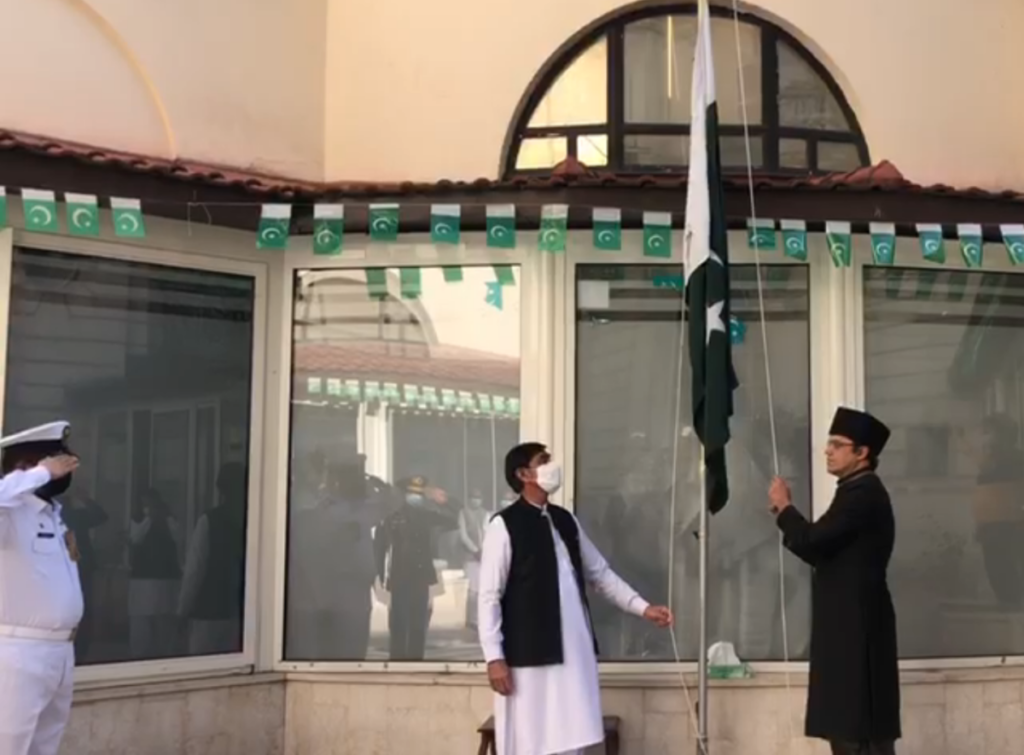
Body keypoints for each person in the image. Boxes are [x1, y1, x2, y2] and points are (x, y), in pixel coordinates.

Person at [479, 442, 673, 755]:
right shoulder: (504, 525)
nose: (551, 465)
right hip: (529, 655)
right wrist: (494, 658)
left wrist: (643, 607)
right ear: (523, 474)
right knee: (531, 737)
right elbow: (489, 595)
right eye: (543, 461)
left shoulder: (564, 520)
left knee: (571, 735)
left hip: (573, 651)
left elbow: (600, 574)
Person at [768, 407, 900, 755]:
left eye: (838, 444)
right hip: (847, 623)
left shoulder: (863, 494)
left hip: (858, 627)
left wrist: (785, 508)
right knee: (845, 724)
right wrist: (787, 518)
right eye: (829, 443)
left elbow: (814, 540)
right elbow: (821, 550)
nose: (828, 451)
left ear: (862, 453)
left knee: (856, 727)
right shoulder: (853, 490)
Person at [0, 420, 82, 755]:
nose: (64, 468)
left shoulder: (52, 515)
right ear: (25, 466)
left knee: (43, 748)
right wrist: (40, 474)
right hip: (18, 654)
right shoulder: (9, 516)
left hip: (60, 652)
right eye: (56, 459)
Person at [374, 476, 456, 660]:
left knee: (418, 625)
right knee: (399, 624)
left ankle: (416, 662)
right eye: (413, 494)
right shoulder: (393, 517)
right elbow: (380, 547)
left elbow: (454, 520)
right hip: (400, 576)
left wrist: (444, 501)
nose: (416, 498)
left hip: (420, 577)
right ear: (405, 495)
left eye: (419, 494)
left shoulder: (427, 515)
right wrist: (380, 575)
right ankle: (397, 662)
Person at [178, 463, 247, 656]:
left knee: (202, 664)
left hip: (209, 610)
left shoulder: (209, 520)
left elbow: (195, 570)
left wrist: (183, 610)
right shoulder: (256, 521)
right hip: (243, 612)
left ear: (220, 489)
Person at [970, 414, 1024, 608]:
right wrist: (980, 523)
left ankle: (1014, 608)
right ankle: (1009, 606)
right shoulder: (989, 462)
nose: (984, 437)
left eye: (988, 432)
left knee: (1007, 571)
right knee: (996, 571)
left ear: (1003, 435)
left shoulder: (1016, 460)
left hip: (1010, 526)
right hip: (991, 528)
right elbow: (984, 495)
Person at [127, 489, 182, 659]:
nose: (147, 508)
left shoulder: (169, 519)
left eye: (151, 504)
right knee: (141, 621)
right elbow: (136, 538)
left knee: (164, 619)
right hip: (142, 577)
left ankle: (166, 654)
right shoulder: (138, 519)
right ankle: (140, 655)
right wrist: (149, 519)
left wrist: (163, 517)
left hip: (166, 576)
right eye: (145, 504)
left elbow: (178, 536)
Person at [59, 489, 108, 662]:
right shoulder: (73, 516)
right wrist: (85, 500)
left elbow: (101, 516)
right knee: (81, 609)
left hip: (74, 568)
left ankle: (78, 647)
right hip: (73, 568)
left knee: (78, 609)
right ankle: (79, 647)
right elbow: (101, 516)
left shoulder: (69, 516)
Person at [458, 488, 488, 630]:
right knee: (472, 590)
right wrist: (475, 550)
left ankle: (480, 619)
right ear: (469, 499)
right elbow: (463, 536)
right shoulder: (463, 513)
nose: (476, 500)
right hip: (470, 556)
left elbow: (487, 532)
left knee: (482, 590)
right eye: (473, 497)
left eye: (478, 498)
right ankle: (471, 619)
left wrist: (485, 551)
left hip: (484, 556)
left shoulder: (485, 514)